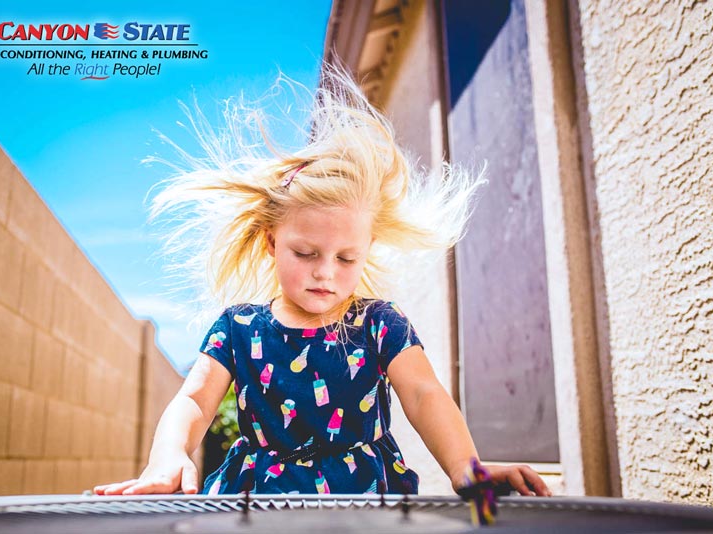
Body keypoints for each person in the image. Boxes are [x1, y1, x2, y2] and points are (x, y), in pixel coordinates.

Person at [94, 64, 551, 498]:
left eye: (347, 257)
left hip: (364, 500)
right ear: (272, 241)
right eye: (306, 253)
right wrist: (168, 454)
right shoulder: (238, 328)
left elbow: (423, 393)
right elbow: (194, 401)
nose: (325, 271)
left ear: (367, 248)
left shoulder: (380, 324)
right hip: (258, 499)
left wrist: (467, 468)